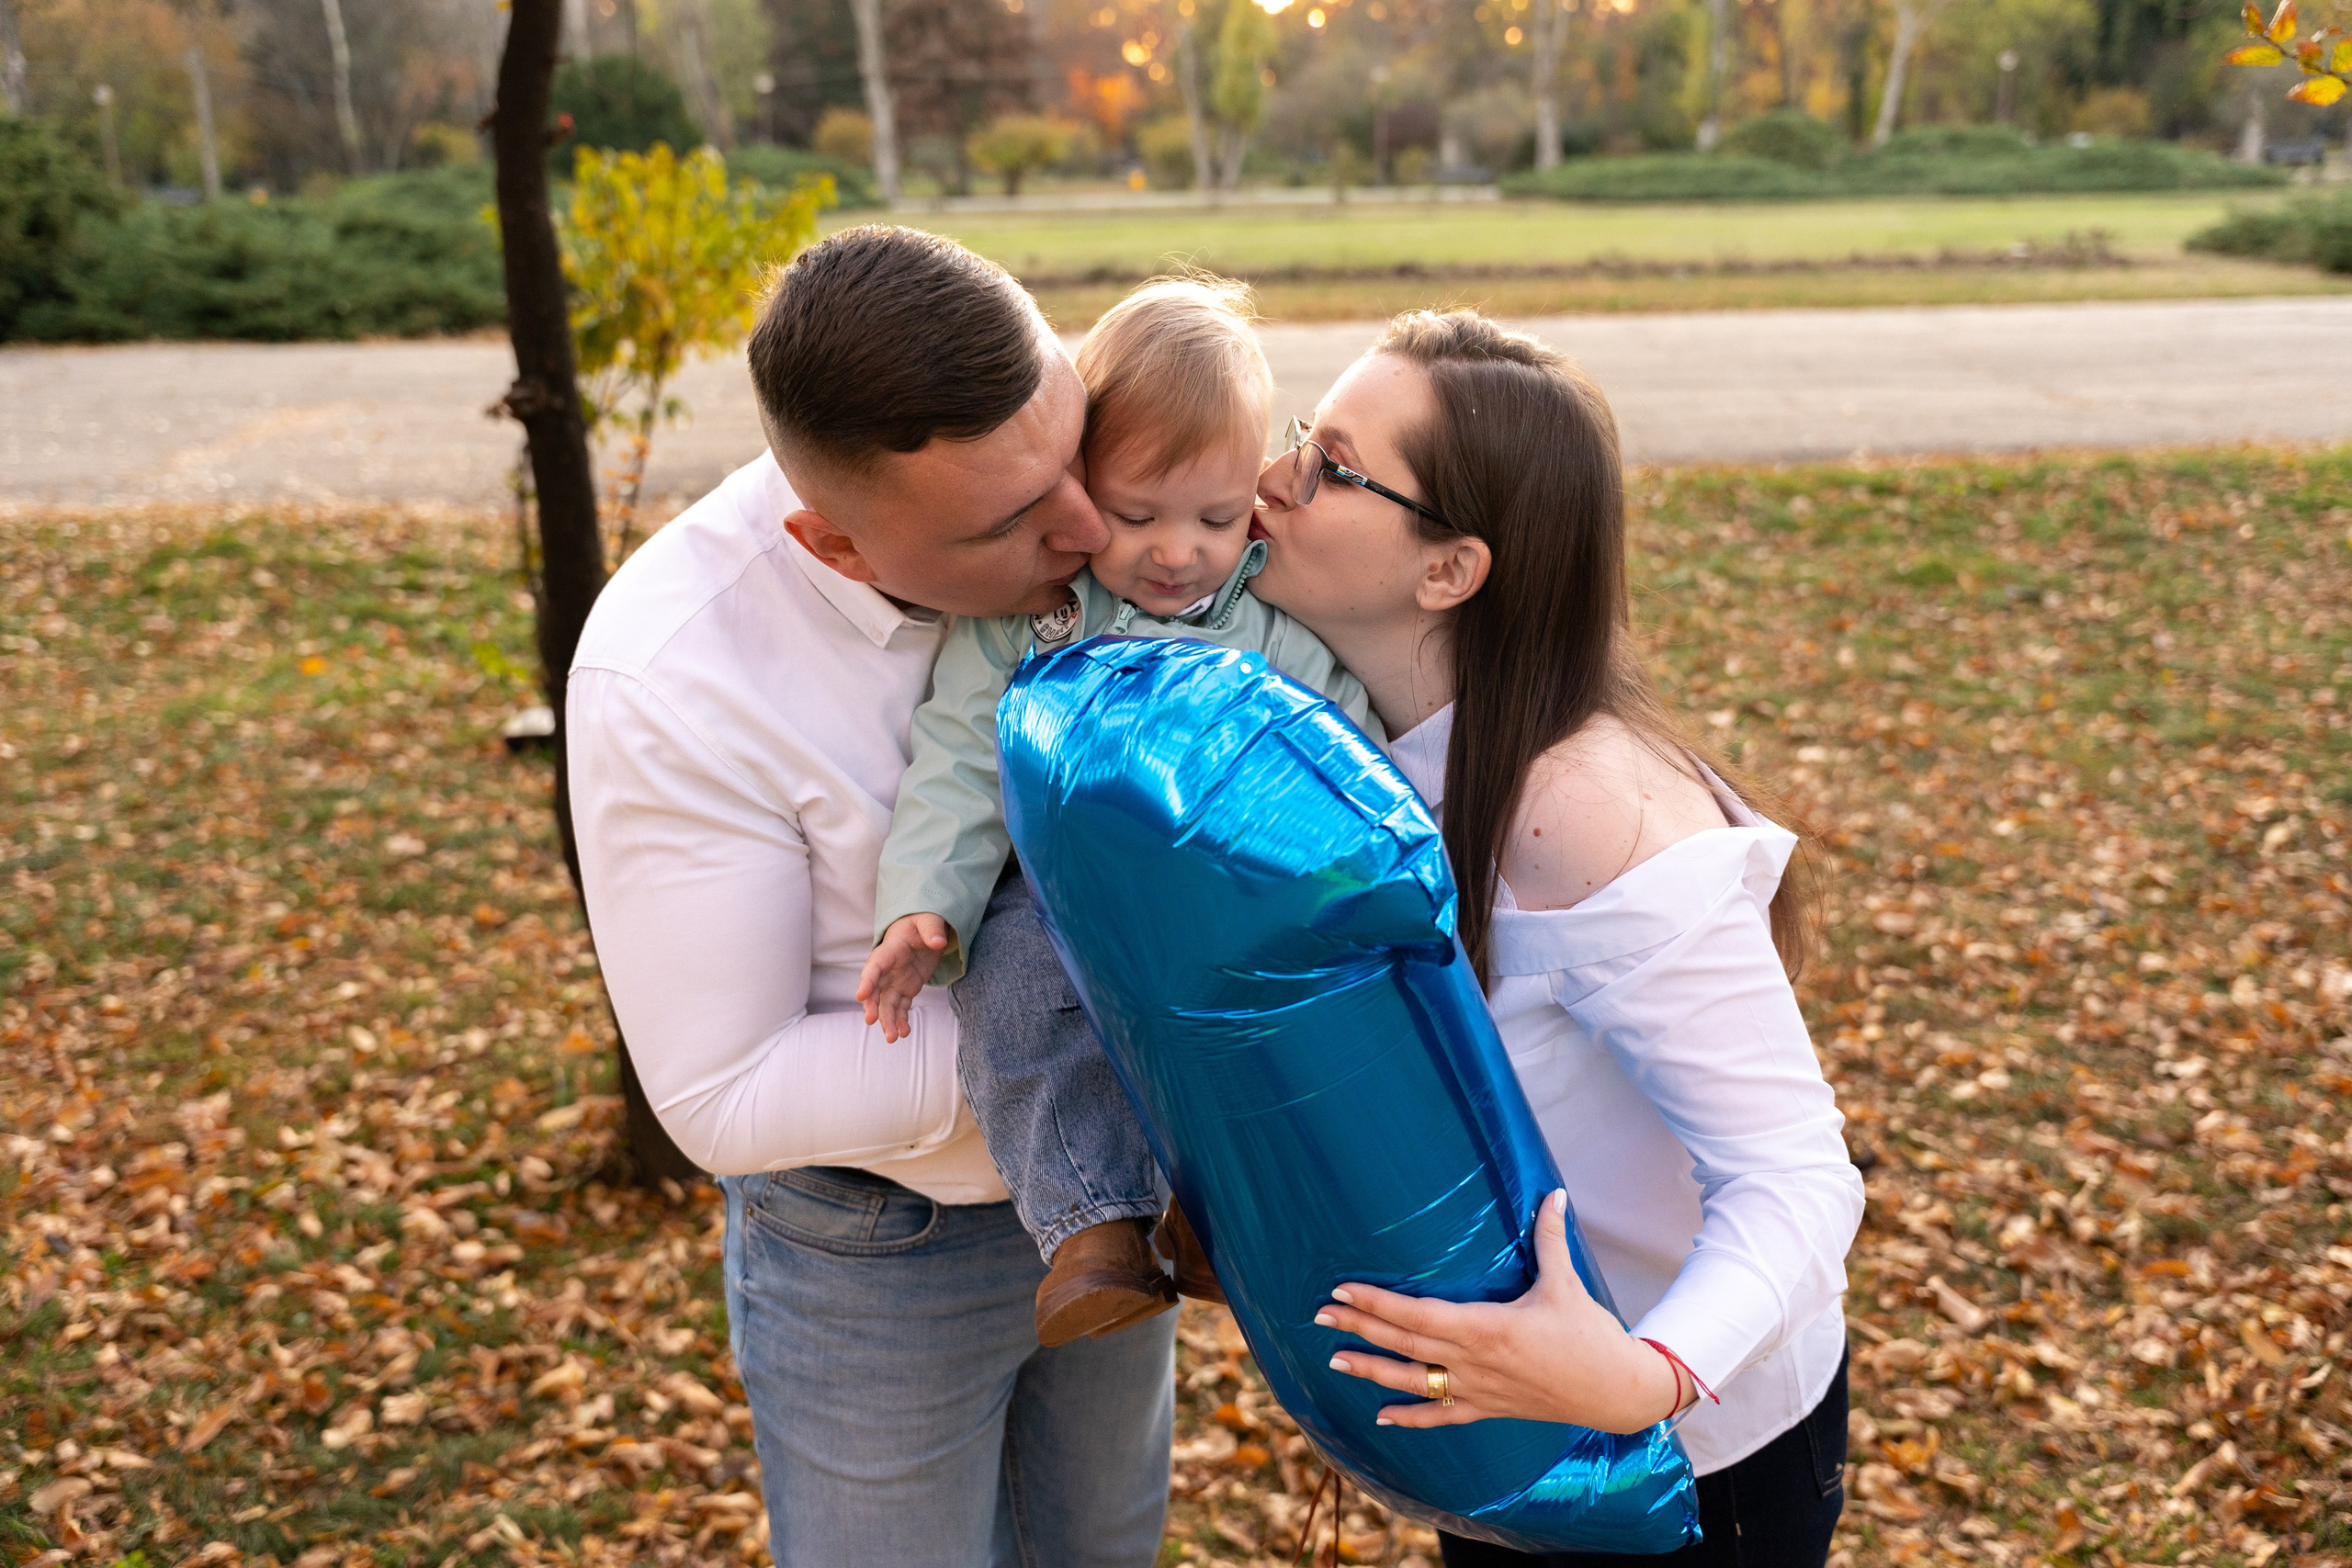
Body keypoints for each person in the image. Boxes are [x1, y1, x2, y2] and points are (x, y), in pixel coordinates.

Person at [565, 226, 1176, 1568]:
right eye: (1010, 523)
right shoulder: (673, 675)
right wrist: (1135, 1035)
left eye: (1067, 453)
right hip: (879, 1251)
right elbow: (722, 1095)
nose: (1087, 527)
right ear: (834, 544)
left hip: (1118, 1209)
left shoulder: (1103, 510)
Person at [1249, 310, 1865, 1568]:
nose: (1273, 477)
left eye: (1330, 461)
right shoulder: (1355, 725)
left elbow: (1802, 1176)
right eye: (1299, 436)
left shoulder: (1577, 804)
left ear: (1448, 570)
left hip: (1691, 1453)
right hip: (1518, 1415)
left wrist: (1642, 1374)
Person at [854, 276, 1378, 1349]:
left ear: (1255, 506)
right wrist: (922, 903)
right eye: (1136, 515)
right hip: (1051, 897)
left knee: (1256, 1024)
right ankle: (1092, 1228)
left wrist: (1352, 870)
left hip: (1218, 900)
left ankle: (1219, 1218)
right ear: (1081, 487)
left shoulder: (1266, 626)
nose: (1177, 551)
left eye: (1216, 518)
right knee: (1007, 1001)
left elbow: (1344, 748)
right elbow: (957, 752)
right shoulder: (1030, 621)